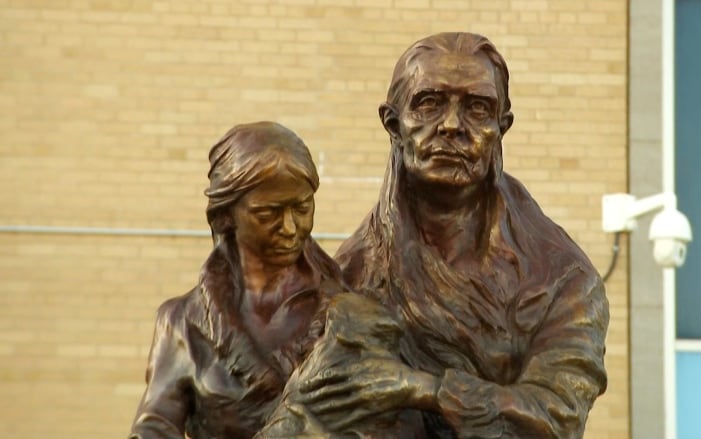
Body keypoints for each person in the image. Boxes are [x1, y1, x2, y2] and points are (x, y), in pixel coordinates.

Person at [300, 32, 609, 438]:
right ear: (393, 124)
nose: (450, 125)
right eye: (428, 104)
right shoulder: (350, 275)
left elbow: (558, 414)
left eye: (477, 109)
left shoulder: (560, 277)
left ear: (502, 127)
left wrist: (431, 391)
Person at [129, 122, 344, 439]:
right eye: (267, 213)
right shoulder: (183, 322)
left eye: (302, 208)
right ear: (225, 216)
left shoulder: (348, 310)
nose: (289, 227)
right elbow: (154, 429)